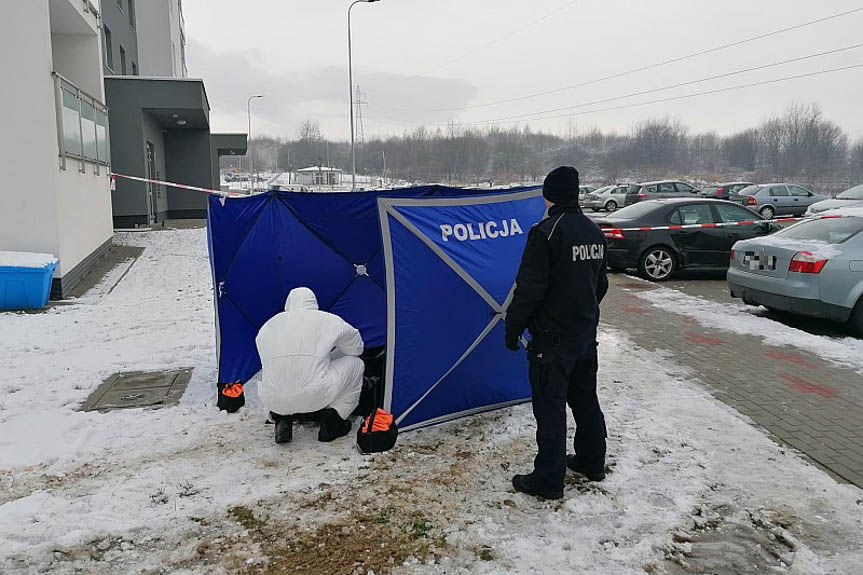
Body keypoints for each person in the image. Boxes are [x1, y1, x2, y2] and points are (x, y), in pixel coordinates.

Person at [505, 166, 609, 500]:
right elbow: (601, 284)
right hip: (584, 336)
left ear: (548, 195)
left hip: (551, 341)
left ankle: (549, 479)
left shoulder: (545, 232)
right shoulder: (594, 232)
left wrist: (513, 327)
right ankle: (592, 462)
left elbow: (529, 289)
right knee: (585, 401)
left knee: (550, 409)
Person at [256, 287, 365, 444]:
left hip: (273, 399)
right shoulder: (328, 320)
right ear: (314, 303)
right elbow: (356, 348)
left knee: (276, 371)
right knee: (356, 364)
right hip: (316, 394)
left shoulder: (268, 325)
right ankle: (334, 419)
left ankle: (281, 417)